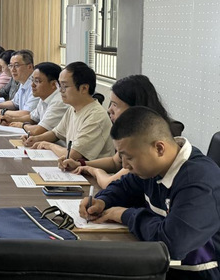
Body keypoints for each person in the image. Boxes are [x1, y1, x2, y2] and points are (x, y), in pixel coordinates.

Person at [79, 106, 220, 279]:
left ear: (159, 148)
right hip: (158, 266)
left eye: (129, 157)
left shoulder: (199, 182)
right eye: (121, 157)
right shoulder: (154, 168)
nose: (125, 165)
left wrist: (123, 214)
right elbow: (125, 186)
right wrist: (103, 201)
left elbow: (171, 244)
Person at [58, 74, 182, 188]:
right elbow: (115, 162)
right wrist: (81, 164)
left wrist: (94, 171)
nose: (109, 110)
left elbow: (109, 183)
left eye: (115, 105)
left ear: (135, 108)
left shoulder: (145, 140)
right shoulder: (131, 133)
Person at [25, 61, 115, 161]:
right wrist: (36, 139)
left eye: (65, 86)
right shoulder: (73, 108)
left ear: (84, 88)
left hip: (90, 170)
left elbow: (73, 155)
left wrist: (48, 145)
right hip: (73, 167)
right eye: (60, 86)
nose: (60, 90)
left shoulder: (96, 116)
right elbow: (56, 133)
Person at [0, 49, 40, 119]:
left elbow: (26, 113)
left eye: (16, 65)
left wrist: (1, 112)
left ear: (29, 67)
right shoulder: (23, 81)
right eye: (11, 66)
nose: (12, 69)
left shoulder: (36, 85)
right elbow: (14, 103)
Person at [12, 62, 67, 133]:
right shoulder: (45, 96)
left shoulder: (59, 102)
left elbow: (39, 130)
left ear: (53, 84)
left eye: (37, 81)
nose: (32, 85)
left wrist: (23, 125)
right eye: (32, 80)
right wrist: (11, 119)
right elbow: (33, 118)